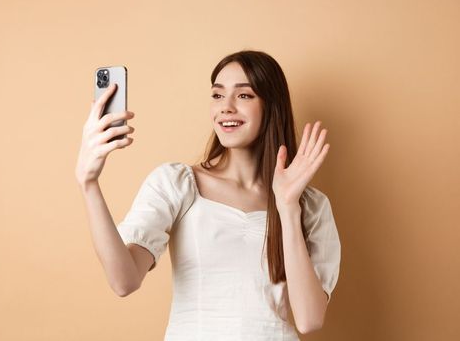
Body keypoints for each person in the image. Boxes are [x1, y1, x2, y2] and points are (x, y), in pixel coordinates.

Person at [75, 50, 340, 340]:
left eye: (244, 96)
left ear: (271, 106)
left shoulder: (310, 205)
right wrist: (89, 184)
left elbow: (309, 319)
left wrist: (288, 207)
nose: (225, 107)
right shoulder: (177, 183)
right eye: (217, 95)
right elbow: (123, 280)